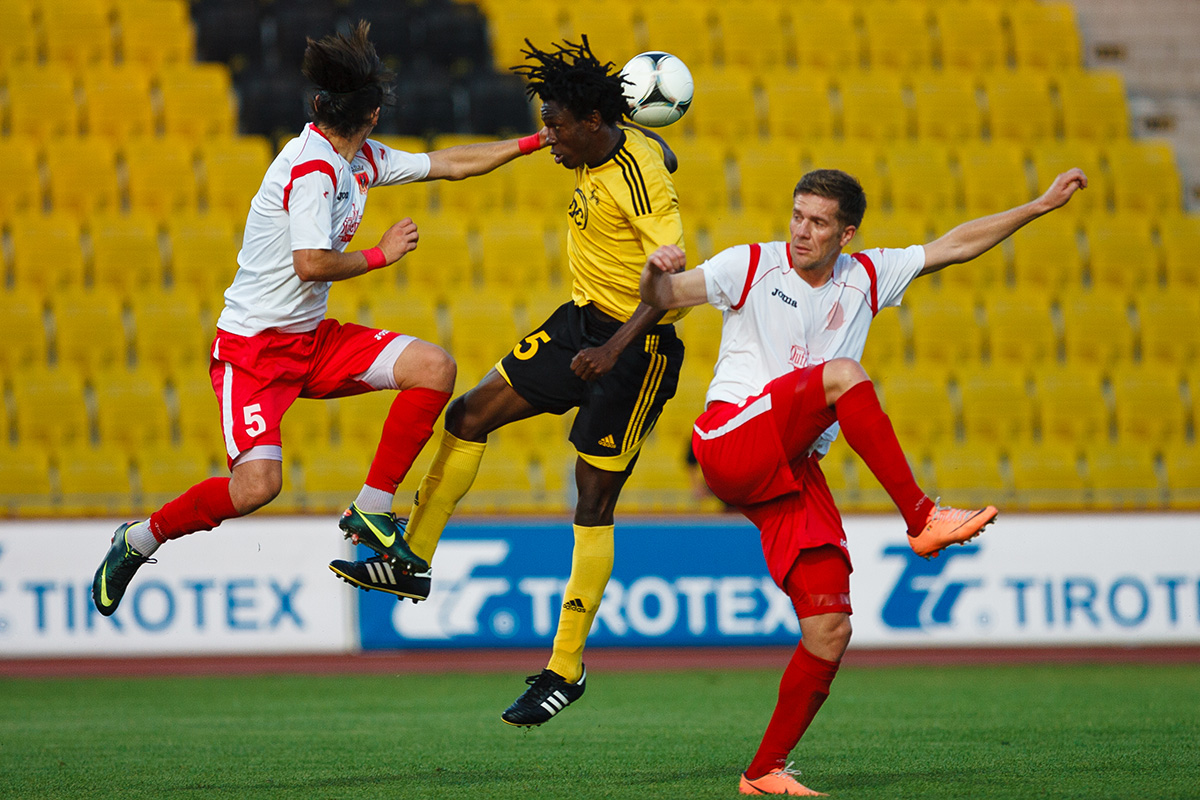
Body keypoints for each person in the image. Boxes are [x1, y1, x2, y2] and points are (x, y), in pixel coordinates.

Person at [639, 167, 1087, 796]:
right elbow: (664, 296)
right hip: (730, 440)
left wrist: (1038, 206)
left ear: (846, 233)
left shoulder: (868, 276)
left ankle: (763, 771)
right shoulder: (750, 264)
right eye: (797, 215)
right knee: (844, 373)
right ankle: (922, 517)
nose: (802, 231)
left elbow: (955, 245)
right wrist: (654, 272)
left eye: (819, 222)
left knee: (830, 628)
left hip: (790, 467)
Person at [91, 22, 550, 617]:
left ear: (321, 106)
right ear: (374, 116)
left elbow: (448, 163)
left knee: (434, 368)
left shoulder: (359, 158)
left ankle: (371, 507)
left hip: (312, 340)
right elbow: (309, 263)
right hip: (253, 353)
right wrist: (381, 254)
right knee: (257, 488)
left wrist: (533, 142)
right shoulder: (313, 170)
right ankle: (140, 539)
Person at [331, 36, 686, 727]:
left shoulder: (644, 183)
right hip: (579, 324)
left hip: (634, 348)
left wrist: (613, 350)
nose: (548, 138)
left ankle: (565, 668)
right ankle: (412, 560)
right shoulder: (607, 146)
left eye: (556, 125)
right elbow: (642, 147)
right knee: (467, 415)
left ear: (592, 122)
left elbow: (670, 286)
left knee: (592, 498)